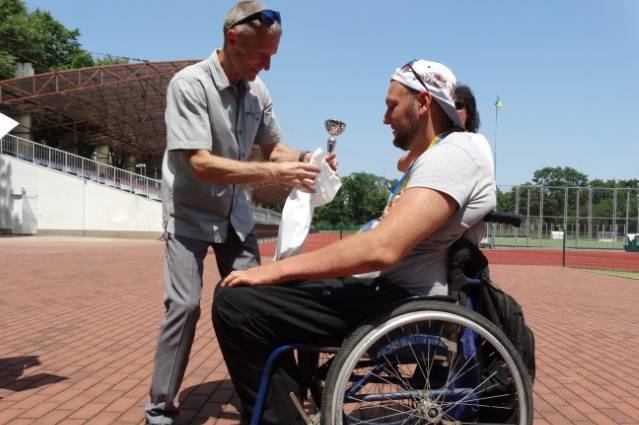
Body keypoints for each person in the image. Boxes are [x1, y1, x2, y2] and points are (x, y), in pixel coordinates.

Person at [212, 59, 496, 424]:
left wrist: (277, 270)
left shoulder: (456, 153)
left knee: (235, 303)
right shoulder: (443, 154)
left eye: (392, 105)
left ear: (423, 103)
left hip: (400, 302)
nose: (384, 117)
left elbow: (382, 247)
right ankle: (286, 404)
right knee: (261, 293)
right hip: (390, 292)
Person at [145, 2, 332, 424]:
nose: (267, 66)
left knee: (259, 301)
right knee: (184, 305)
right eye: (261, 55)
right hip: (189, 215)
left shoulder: (258, 93)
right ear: (233, 38)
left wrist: (306, 159)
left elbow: (274, 148)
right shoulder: (188, 85)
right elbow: (201, 163)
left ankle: (269, 398)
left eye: (272, 56)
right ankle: (159, 406)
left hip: (235, 217)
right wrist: (274, 171)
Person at [397, 83, 494, 173]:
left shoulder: (476, 140)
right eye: (448, 106)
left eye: (458, 105)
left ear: (469, 111)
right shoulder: (436, 141)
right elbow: (402, 166)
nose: (453, 110)